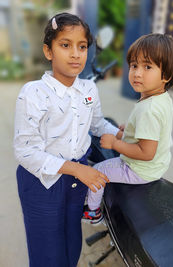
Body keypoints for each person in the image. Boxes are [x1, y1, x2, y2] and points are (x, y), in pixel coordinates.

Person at [14, 12, 122, 267]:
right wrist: (78, 170)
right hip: (42, 182)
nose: (76, 54)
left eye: (82, 47)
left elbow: (97, 124)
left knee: (71, 242)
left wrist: (120, 134)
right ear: (48, 51)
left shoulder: (88, 89)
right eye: (65, 45)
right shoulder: (34, 93)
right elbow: (25, 151)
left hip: (77, 180)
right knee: (47, 254)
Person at [82, 33, 173, 224]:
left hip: (139, 168)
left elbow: (145, 152)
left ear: (167, 75)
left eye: (147, 67)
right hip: (159, 164)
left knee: (97, 171)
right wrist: (126, 132)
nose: (137, 73)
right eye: (134, 65)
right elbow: (153, 131)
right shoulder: (160, 98)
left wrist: (115, 143)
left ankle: (92, 212)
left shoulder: (149, 109)